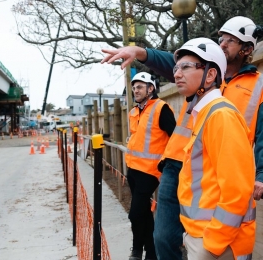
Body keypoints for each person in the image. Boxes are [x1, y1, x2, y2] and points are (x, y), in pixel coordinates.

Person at [101, 16, 263, 259]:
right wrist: (140, 52)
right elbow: (175, 62)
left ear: (247, 49)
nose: (222, 44)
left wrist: (260, 174)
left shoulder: (254, 88)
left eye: (230, 41)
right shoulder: (200, 74)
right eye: (221, 39)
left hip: (214, 171)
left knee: (207, 232)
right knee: (165, 237)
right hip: (179, 162)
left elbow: (259, 140)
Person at [175, 37, 256, 260]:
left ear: (210, 75)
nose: (177, 74)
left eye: (186, 66)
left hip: (216, 243)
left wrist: (212, 245)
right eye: (176, 67)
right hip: (202, 236)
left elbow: (237, 190)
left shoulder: (221, 116)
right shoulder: (204, 114)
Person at [125, 72, 176, 260]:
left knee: (135, 214)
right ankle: (151, 253)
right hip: (133, 169)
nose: (135, 90)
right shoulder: (134, 111)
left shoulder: (161, 108)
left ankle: (138, 249)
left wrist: (165, 161)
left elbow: (175, 138)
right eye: (134, 87)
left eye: (139, 87)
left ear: (150, 88)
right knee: (144, 213)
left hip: (150, 171)